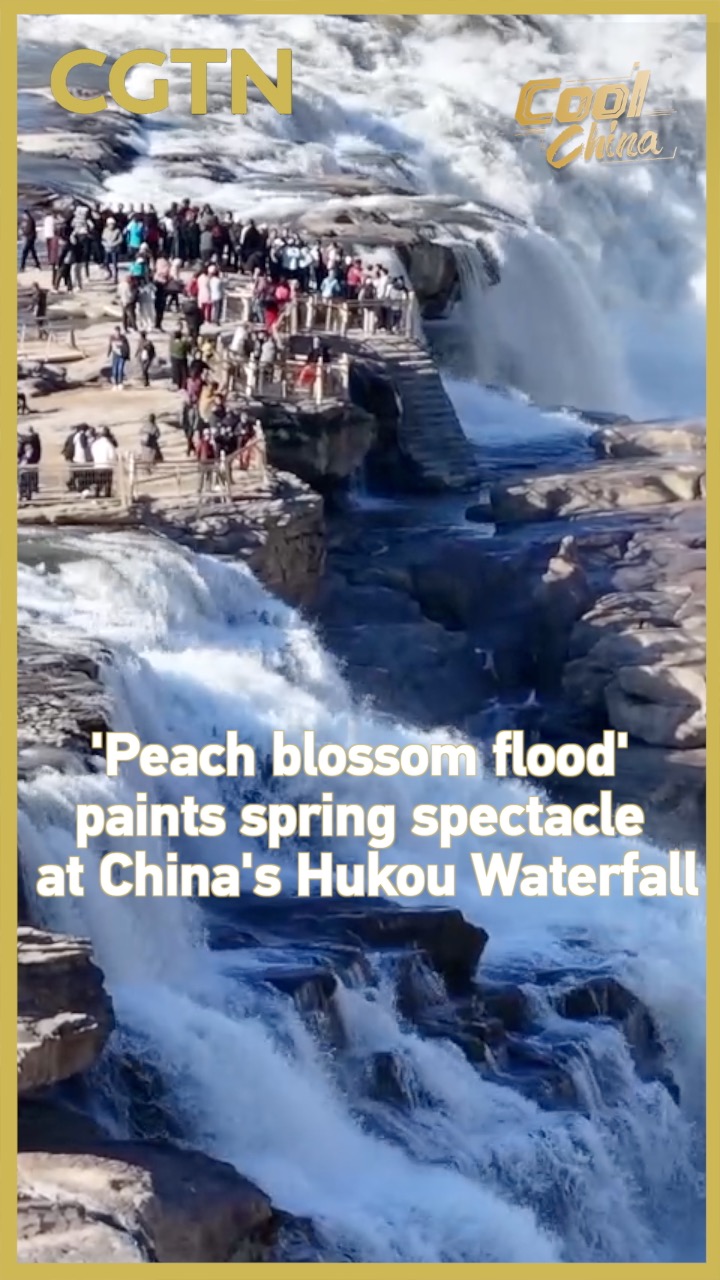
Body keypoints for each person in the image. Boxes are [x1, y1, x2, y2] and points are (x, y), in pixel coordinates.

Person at [91, 425, 117, 497]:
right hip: (107, 466)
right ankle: (107, 496)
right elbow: (112, 455)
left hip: (97, 465)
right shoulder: (109, 444)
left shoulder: (95, 443)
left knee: (98, 482)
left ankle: (97, 495)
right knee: (107, 482)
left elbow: (92, 453)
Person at [102, 216, 124, 283]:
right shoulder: (105, 230)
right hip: (107, 249)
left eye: (112, 224)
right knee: (106, 262)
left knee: (115, 264)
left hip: (115, 249)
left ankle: (115, 277)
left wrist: (114, 244)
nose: (111, 225)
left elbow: (121, 239)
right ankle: (109, 273)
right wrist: (105, 244)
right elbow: (103, 239)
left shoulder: (117, 231)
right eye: (110, 224)